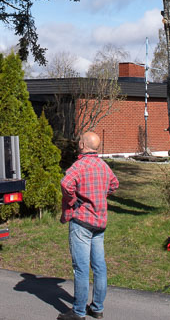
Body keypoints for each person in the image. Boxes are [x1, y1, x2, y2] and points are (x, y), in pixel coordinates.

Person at [59, 131, 119, 320]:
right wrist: (100, 195)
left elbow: (65, 183)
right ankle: (97, 308)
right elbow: (114, 184)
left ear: (83, 145)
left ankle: (78, 312)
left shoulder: (79, 166)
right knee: (99, 267)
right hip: (99, 223)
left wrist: (74, 200)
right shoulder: (103, 166)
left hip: (82, 223)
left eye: (79, 142)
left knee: (82, 268)